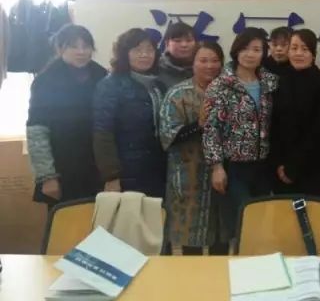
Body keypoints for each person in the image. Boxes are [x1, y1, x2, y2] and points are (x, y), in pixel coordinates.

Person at [202, 27, 278, 233]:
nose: (250, 54)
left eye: (256, 49)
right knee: (242, 222)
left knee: (262, 224)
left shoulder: (271, 83)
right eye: (245, 49)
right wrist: (217, 167)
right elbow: (211, 129)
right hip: (234, 166)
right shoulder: (221, 85)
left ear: (264, 54)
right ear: (236, 51)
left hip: (263, 165)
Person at [160, 41, 230, 255]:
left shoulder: (230, 91)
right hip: (188, 174)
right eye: (203, 60)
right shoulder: (177, 94)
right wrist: (198, 125)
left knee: (222, 231)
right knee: (190, 236)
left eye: (215, 61)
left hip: (225, 172)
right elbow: (167, 136)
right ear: (193, 63)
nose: (209, 66)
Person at [26, 24, 107, 208]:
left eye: (86, 46)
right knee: (66, 221)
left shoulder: (101, 75)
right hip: (62, 166)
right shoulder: (45, 80)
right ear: (60, 48)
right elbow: (37, 130)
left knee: (101, 220)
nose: (81, 52)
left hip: (97, 166)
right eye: (73, 46)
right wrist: (47, 176)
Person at [93, 28, 167, 198]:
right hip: (126, 170)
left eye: (149, 50)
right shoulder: (110, 85)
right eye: (137, 50)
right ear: (124, 53)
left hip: (156, 168)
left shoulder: (158, 85)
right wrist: (111, 175)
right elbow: (103, 133)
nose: (144, 55)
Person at [270, 29, 320, 198]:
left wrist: (294, 166)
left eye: (305, 49)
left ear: (313, 54)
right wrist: (279, 164)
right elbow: (274, 126)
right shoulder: (278, 82)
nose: (298, 53)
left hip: (316, 169)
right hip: (282, 171)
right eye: (294, 48)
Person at [158, 22, 197, 89]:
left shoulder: (204, 68)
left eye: (189, 40)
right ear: (167, 44)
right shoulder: (156, 68)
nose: (184, 45)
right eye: (178, 41)